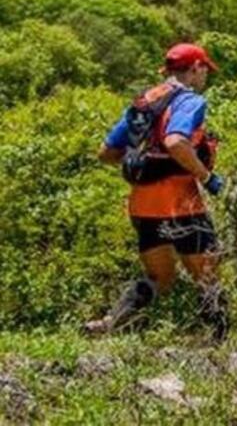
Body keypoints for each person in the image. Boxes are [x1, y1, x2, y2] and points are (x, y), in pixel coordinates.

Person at [84, 43, 228, 339]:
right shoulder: (189, 101)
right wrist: (206, 177)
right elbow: (176, 141)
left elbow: (106, 152)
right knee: (208, 275)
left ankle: (110, 325)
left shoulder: (145, 101)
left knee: (159, 279)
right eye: (205, 71)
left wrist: (145, 162)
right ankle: (218, 345)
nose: (206, 77)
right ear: (195, 69)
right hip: (181, 205)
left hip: (142, 205)